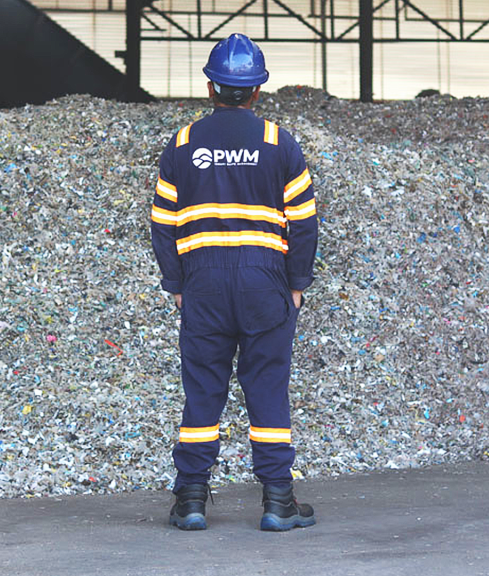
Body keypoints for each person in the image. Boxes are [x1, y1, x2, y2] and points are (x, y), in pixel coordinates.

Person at [150, 33, 319, 531]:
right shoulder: (277, 143)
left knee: (204, 390)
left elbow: (163, 223)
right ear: (257, 91)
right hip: (265, 281)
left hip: (202, 281)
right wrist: (297, 282)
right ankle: (277, 502)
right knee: (267, 386)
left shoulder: (182, 145)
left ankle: (192, 502)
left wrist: (175, 281)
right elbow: (305, 223)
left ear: (210, 88)